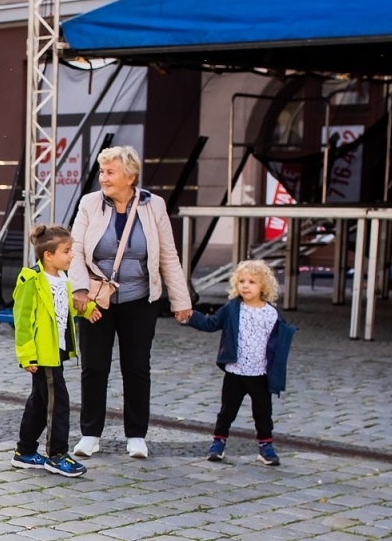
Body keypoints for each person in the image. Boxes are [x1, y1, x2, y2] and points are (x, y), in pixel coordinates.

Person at [66, 145, 193, 460]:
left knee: (137, 367)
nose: (103, 178)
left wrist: (181, 299)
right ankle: (90, 434)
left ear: (130, 176)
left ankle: (136, 435)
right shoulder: (89, 204)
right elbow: (76, 251)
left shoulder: (154, 205)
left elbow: (167, 255)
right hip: (97, 300)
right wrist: (79, 291)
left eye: (110, 172)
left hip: (140, 299)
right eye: (102, 171)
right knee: (94, 367)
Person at [182, 260, 295, 467]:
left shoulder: (271, 314)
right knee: (227, 410)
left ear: (263, 286)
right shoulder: (232, 308)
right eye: (241, 281)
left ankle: (266, 446)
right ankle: (218, 442)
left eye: (252, 282)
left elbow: (278, 344)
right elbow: (211, 323)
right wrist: (190, 316)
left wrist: (277, 372)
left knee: (263, 413)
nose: (245, 285)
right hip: (235, 372)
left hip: (260, 374)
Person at [11, 225, 87, 478]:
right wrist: (27, 356)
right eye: (67, 251)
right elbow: (22, 322)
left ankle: (25, 451)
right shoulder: (32, 280)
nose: (71, 255)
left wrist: (87, 308)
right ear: (48, 255)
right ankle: (57, 454)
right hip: (43, 356)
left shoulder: (63, 278)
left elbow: (63, 311)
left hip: (56, 352)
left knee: (40, 402)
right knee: (58, 403)